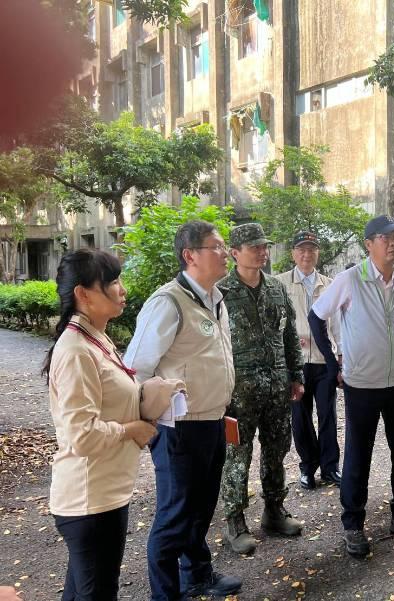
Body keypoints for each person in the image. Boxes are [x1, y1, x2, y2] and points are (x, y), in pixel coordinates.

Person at [44, 249, 179, 601]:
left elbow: (110, 401)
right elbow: (81, 435)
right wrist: (131, 430)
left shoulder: (96, 337)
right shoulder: (76, 351)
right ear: (83, 294)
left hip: (104, 493)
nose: (122, 289)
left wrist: (152, 396)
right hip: (89, 501)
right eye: (112, 282)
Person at [124, 220, 241, 601]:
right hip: (179, 428)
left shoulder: (215, 298)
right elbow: (136, 368)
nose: (226, 253)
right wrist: (145, 422)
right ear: (190, 255)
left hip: (211, 419)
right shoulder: (168, 302)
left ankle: (197, 575)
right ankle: (165, 594)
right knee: (174, 517)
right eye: (217, 247)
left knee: (202, 507)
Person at [308, 214, 394, 558]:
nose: (393, 243)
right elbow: (316, 317)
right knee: (358, 454)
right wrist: (334, 363)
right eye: (385, 238)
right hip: (361, 384)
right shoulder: (350, 279)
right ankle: (353, 524)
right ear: (369, 244)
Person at [217, 223, 306, 555]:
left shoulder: (277, 289)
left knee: (276, 451)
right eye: (254, 247)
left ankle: (274, 511)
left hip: (276, 387)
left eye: (264, 246)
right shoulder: (220, 292)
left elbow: (289, 336)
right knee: (237, 456)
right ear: (235, 253)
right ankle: (235, 522)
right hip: (238, 392)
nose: (262, 251)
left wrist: (295, 375)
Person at [277, 231, 342, 490]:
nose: (307, 254)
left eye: (312, 249)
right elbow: (276, 323)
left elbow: (337, 322)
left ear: (318, 253)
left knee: (328, 415)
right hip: (296, 362)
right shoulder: (280, 283)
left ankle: (330, 468)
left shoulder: (330, 284)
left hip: (325, 361)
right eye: (301, 250)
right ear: (293, 253)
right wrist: (289, 344)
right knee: (300, 417)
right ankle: (308, 467)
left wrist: (340, 357)